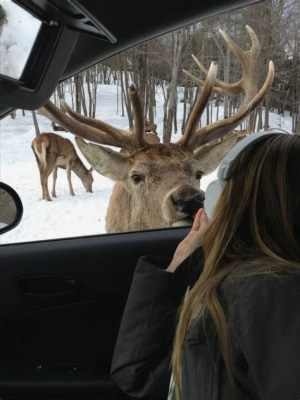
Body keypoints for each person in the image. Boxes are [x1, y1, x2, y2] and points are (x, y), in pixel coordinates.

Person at [111, 132, 300, 400]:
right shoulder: (243, 282)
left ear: (226, 198)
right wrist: (178, 264)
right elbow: (144, 378)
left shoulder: (272, 292)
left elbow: (141, 379)